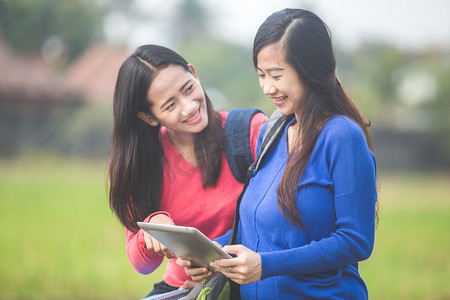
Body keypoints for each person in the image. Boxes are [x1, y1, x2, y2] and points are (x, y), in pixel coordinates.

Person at [177, 8, 378, 299]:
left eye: (276, 75)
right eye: (261, 75)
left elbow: (355, 241)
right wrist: (209, 253)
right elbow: (255, 230)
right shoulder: (273, 133)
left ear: (310, 69)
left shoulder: (343, 136)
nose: (267, 87)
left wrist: (265, 265)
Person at [108, 44, 267, 297]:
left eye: (188, 89)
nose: (189, 107)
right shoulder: (144, 162)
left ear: (194, 72)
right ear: (149, 117)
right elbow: (143, 265)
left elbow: (282, 218)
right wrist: (152, 228)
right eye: (170, 106)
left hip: (254, 286)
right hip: (185, 290)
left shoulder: (251, 132)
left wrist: (220, 249)